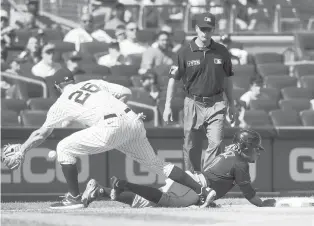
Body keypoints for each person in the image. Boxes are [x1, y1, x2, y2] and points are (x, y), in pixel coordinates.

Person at [14, 76, 216, 209]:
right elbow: (126, 92)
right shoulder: (93, 83)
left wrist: (22, 149)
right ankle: (202, 190)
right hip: (133, 119)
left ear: (58, 87)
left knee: (63, 147)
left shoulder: (61, 101)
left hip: (110, 126)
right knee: (157, 165)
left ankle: (74, 198)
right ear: (73, 80)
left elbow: (42, 133)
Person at [82, 129, 276, 208]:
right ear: (245, 147)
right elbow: (250, 195)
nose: (258, 153)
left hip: (193, 181)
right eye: (256, 149)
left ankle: (100, 191)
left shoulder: (229, 154)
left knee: (151, 201)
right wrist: (263, 204)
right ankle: (126, 185)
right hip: (196, 188)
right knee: (160, 201)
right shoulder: (240, 163)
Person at [163, 13, 237, 174]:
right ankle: (194, 179)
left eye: (209, 29)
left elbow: (228, 79)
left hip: (216, 102)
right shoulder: (185, 52)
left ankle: (207, 180)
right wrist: (167, 106)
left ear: (213, 29)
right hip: (193, 102)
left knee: (216, 142)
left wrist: (232, 104)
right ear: (196, 29)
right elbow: (172, 79)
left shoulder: (222, 51)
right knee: (191, 145)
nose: (205, 33)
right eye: (202, 29)